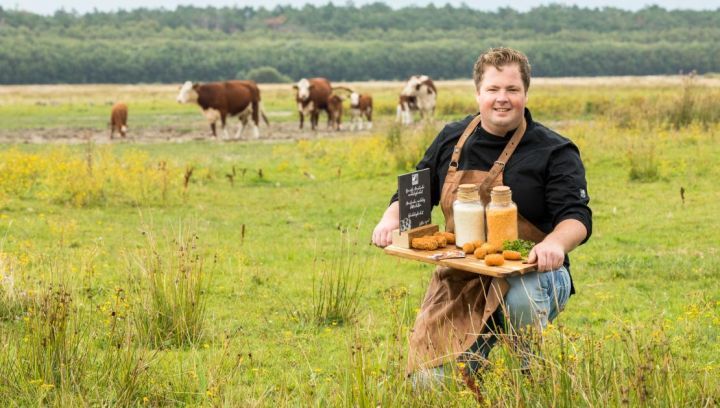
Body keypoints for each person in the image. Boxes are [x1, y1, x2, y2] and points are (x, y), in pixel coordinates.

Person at [371, 47, 592, 393]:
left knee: (519, 300)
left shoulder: (555, 151)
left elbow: (576, 218)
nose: (502, 99)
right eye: (493, 90)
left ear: (525, 94)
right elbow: (415, 192)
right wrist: (389, 220)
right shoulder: (452, 137)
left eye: (511, 90)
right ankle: (478, 357)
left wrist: (554, 244)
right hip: (463, 277)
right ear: (478, 93)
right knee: (428, 386)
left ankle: (530, 370)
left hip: (533, 275)